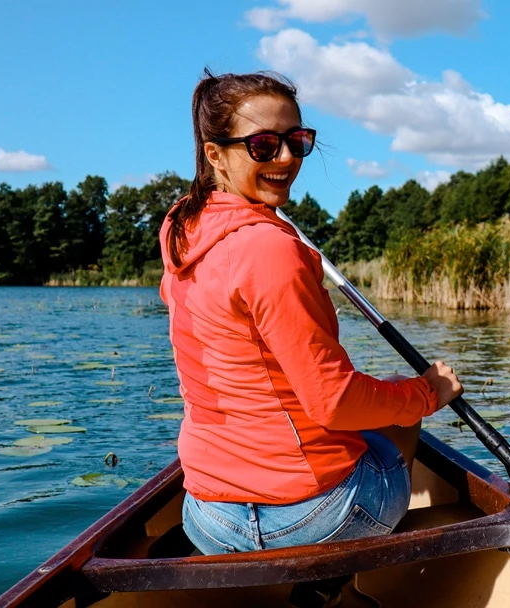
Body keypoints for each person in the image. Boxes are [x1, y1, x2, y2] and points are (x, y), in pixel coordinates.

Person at [158, 68, 463, 560]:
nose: (285, 158)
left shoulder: (182, 231)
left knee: (380, 404)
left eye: (297, 141)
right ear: (214, 154)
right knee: (399, 414)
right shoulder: (269, 250)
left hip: (207, 516)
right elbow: (335, 404)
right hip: (310, 515)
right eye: (262, 145)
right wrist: (428, 393)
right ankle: (343, 576)